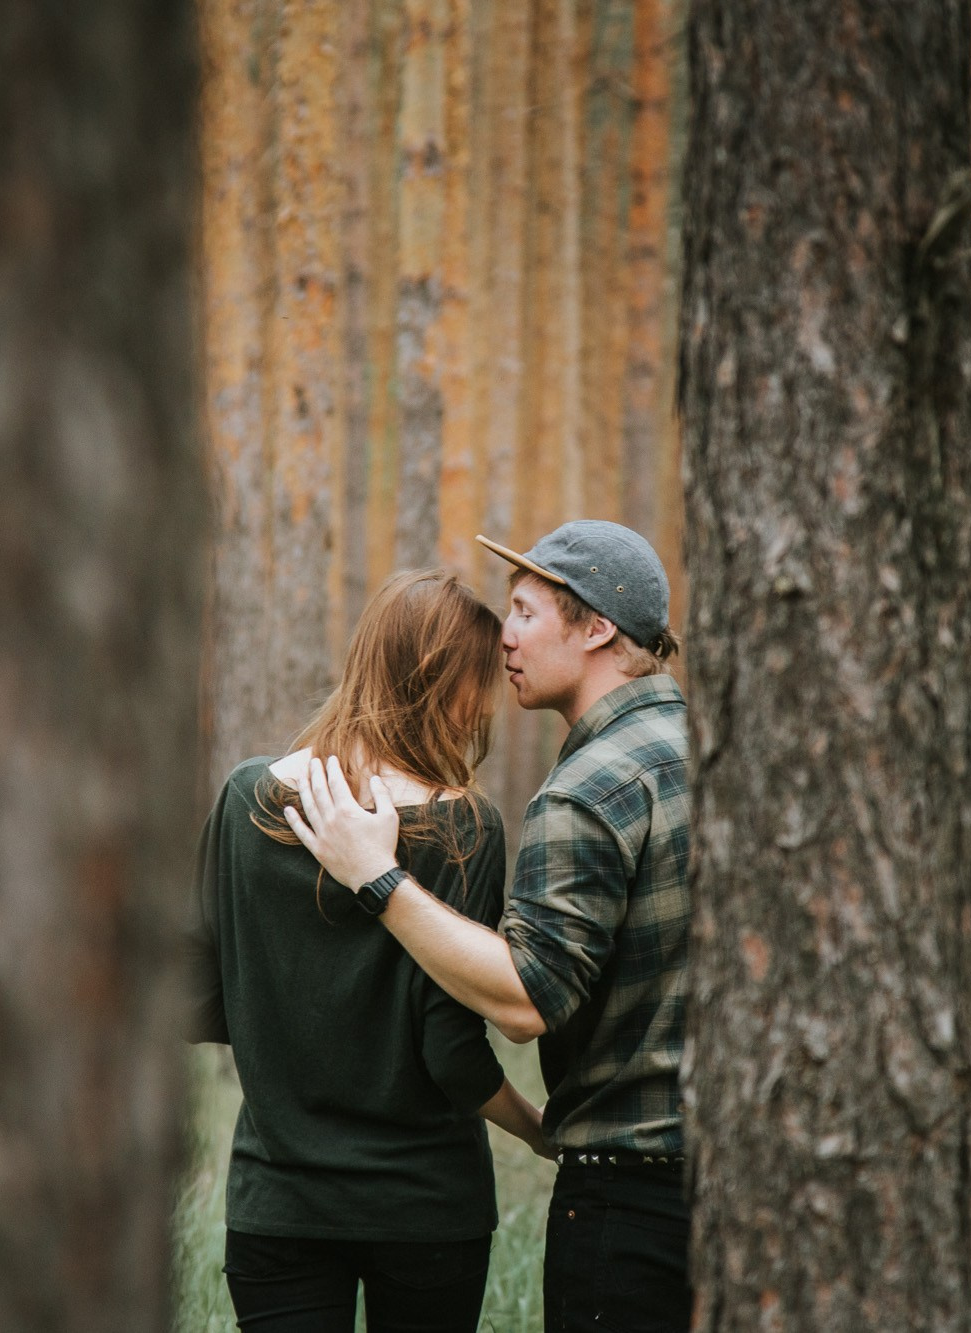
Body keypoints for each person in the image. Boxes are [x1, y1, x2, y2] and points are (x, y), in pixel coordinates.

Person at [288, 520, 692, 1333]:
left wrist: (379, 880)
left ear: (597, 627)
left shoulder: (589, 789)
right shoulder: (704, 751)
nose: (501, 635)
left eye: (525, 611)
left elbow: (523, 1000)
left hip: (630, 1209)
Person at [184, 568, 552, 1333]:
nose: (483, 704)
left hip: (278, 1204)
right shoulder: (464, 827)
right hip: (423, 1207)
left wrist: (294, 1028)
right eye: (477, 681)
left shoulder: (249, 796)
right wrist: (537, 1126)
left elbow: (205, 989)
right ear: (439, 681)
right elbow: (450, 1050)